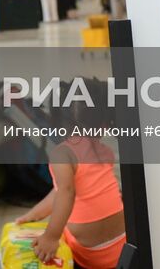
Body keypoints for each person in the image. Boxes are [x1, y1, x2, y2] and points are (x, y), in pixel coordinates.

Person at [14, 110, 127, 269]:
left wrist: (51, 237)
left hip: (88, 255)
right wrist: (34, 214)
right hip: (121, 248)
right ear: (104, 124)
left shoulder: (62, 154)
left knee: (60, 223)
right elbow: (62, 190)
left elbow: (65, 192)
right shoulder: (105, 152)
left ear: (58, 120)